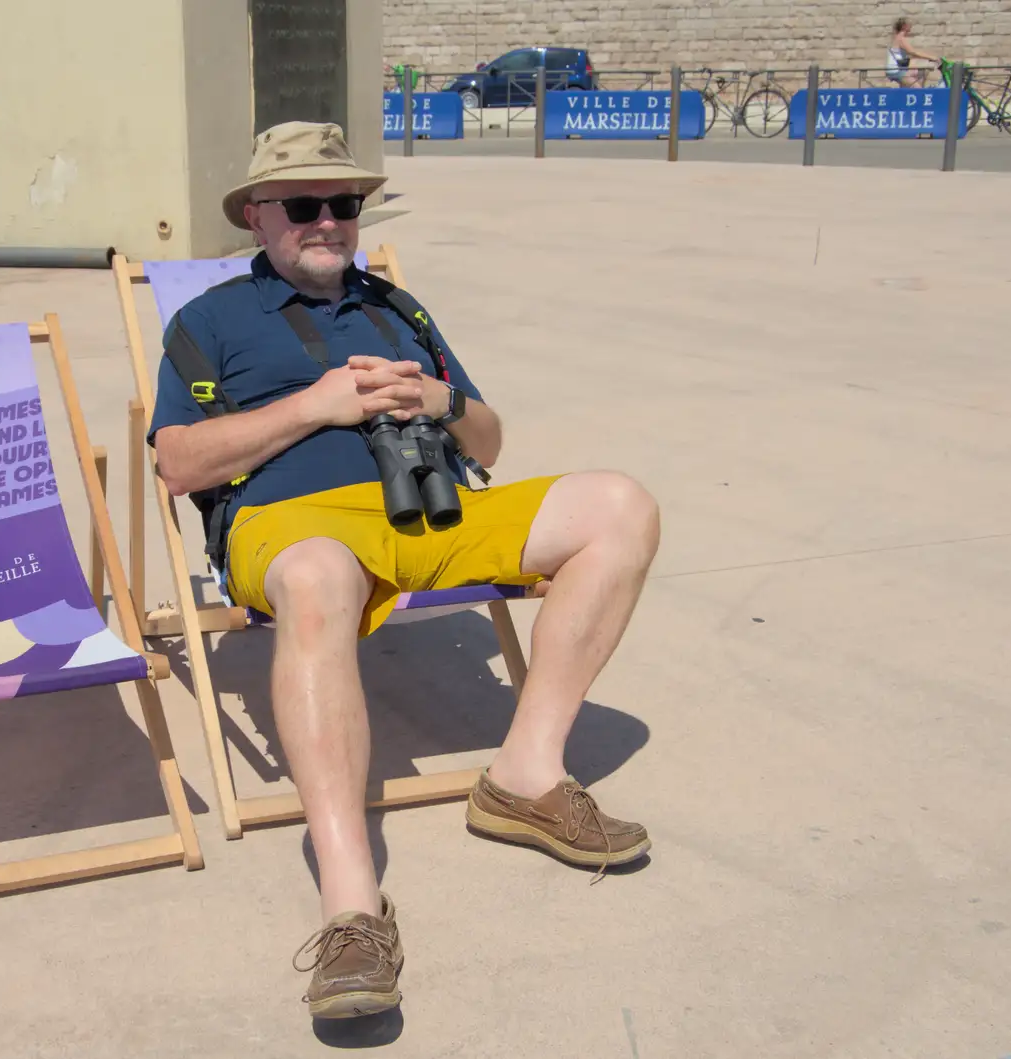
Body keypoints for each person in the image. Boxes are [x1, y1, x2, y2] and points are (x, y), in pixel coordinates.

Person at [147, 121, 661, 1020]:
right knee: (316, 575)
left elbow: (492, 441)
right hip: (292, 524)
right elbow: (180, 462)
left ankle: (526, 776)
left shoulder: (401, 309)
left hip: (431, 512)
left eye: (343, 204)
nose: (328, 223)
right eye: (303, 205)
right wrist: (316, 405)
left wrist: (439, 399)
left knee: (622, 504)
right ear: (258, 218)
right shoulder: (209, 320)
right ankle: (351, 907)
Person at [887, 17, 939, 87]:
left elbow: (911, 55)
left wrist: (925, 58)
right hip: (896, 70)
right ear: (904, 26)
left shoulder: (897, 37)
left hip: (897, 69)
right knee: (918, 89)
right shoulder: (900, 38)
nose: (911, 26)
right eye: (909, 24)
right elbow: (913, 52)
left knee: (918, 74)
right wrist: (933, 57)